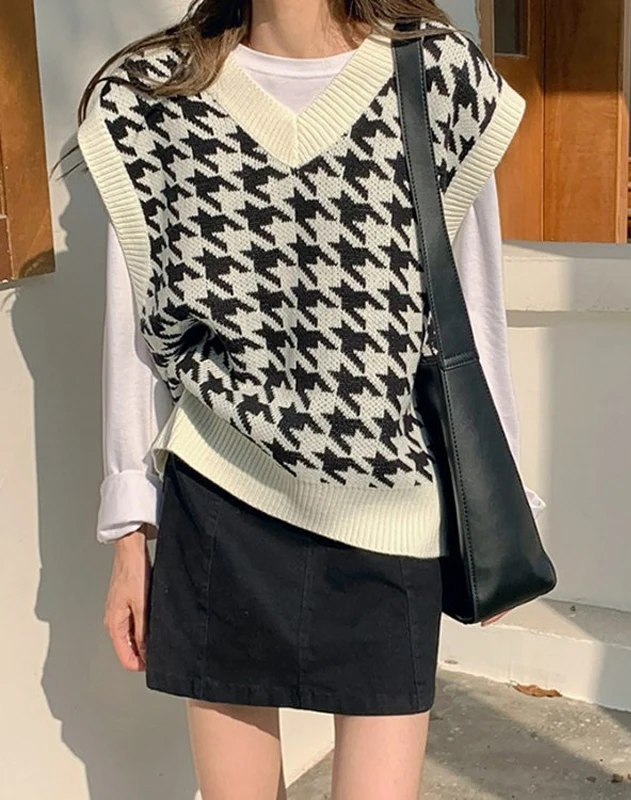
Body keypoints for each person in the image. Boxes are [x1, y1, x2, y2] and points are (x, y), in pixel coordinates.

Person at [77, 1, 544, 797]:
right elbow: (134, 332)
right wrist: (131, 533)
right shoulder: (155, 96)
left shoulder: (436, 76)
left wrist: (501, 514)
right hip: (220, 504)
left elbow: (471, 315)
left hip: (389, 512)